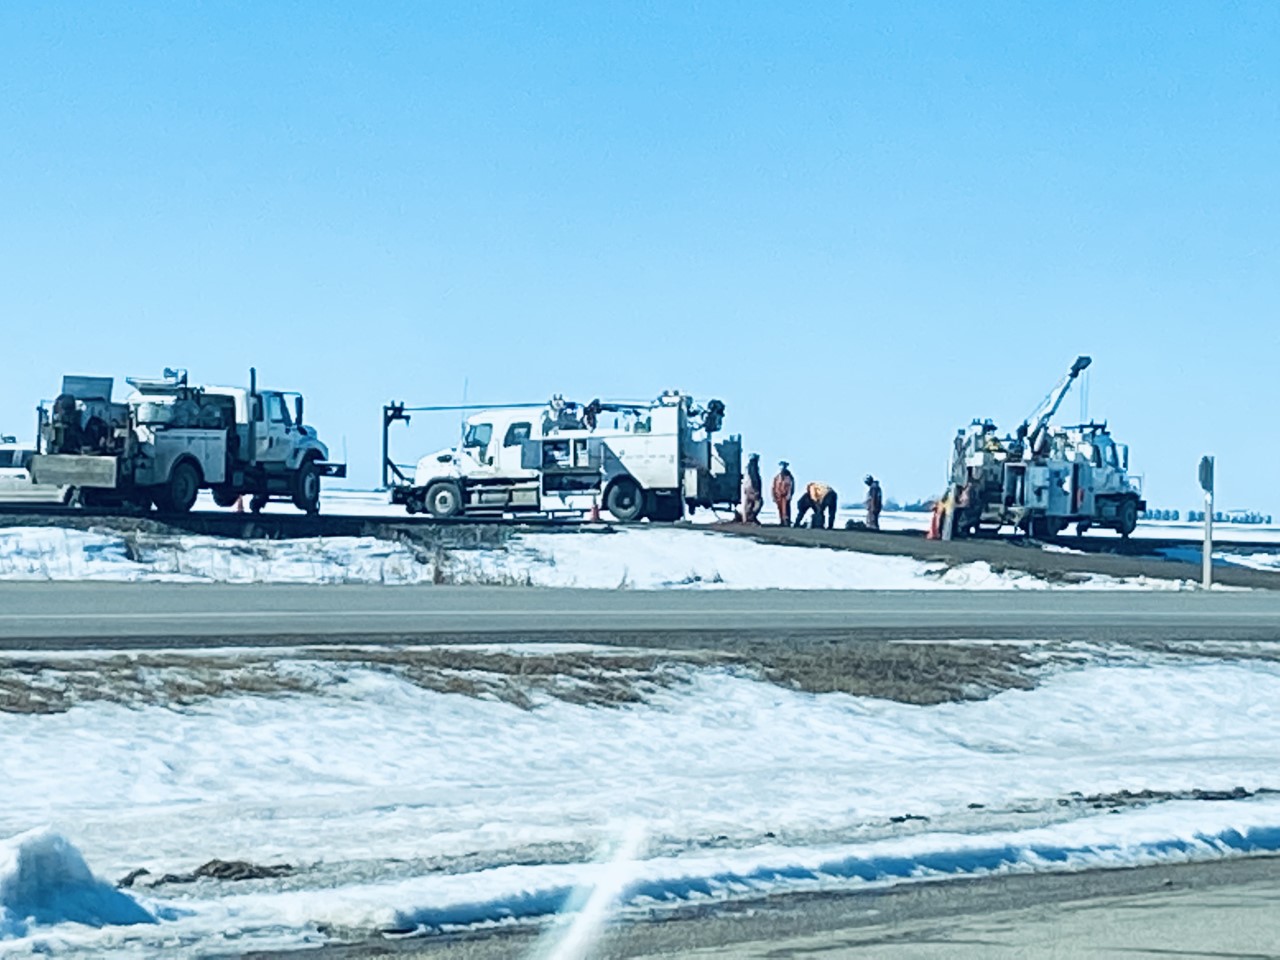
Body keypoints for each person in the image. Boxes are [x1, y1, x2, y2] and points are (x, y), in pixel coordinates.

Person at [740, 453, 763, 523]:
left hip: (747, 488)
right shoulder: (753, 467)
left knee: (748, 504)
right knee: (758, 502)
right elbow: (754, 478)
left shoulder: (747, 467)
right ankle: (751, 517)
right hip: (752, 489)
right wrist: (756, 490)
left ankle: (747, 518)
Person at [771, 460, 794, 526]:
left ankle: (786, 522)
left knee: (786, 509)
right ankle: (781, 521)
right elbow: (773, 487)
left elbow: (791, 486)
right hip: (778, 496)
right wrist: (773, 496)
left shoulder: (789, 477)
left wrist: (789, 494)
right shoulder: (776, 477)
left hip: (785, 496)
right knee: (780, 509)